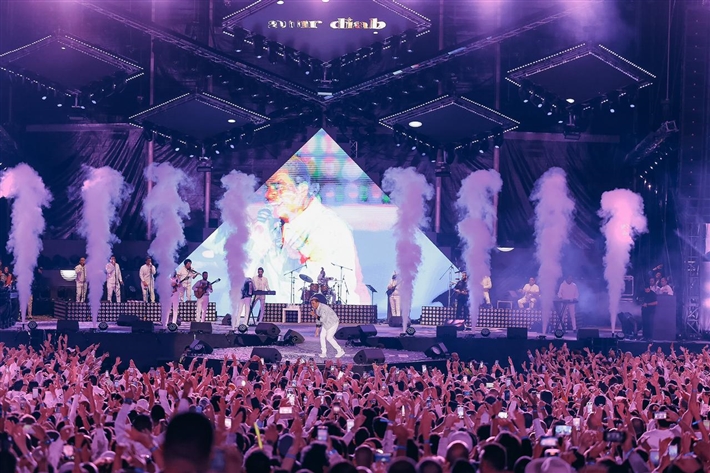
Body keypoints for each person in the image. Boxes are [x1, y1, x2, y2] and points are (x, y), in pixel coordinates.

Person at [249, 158, 366, 304]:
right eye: (268, 188)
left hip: (322, 312)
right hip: (277, 312)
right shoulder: (270, 223)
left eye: (279, 187)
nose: (268, 195)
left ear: (302, 190)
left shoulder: (328, 227)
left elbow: (315, 285)